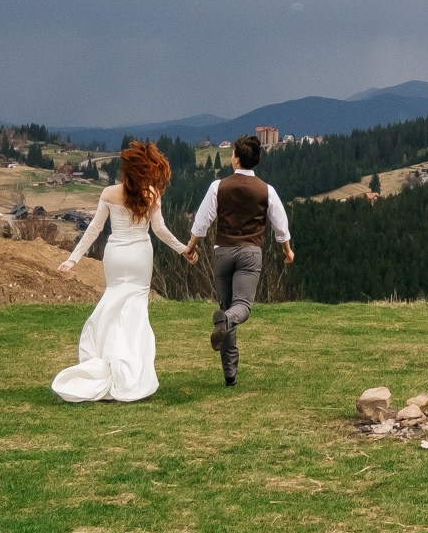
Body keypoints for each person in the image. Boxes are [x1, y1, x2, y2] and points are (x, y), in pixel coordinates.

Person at [50, 140, 189, 403]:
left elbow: (94, 229)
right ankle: (129, 371)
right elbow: (159, 230)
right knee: (135, 311)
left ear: (126, 170)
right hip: (140, 255)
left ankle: (106, 360)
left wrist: (73, 259)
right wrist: (184, 249)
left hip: (114, 254)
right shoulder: (151, 195)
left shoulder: (108, 193)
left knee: (112, 304)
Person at [183, 133, 294, 385]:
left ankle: (229, 374)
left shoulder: (217, 186)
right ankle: (227, 327)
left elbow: (201, 223)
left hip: (222, 250)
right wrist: (287, 250)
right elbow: (281, 225)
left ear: (235, 159)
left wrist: (191, 247)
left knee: (226, 306)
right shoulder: (267, 190)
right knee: (241, 307)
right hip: (250, 252)